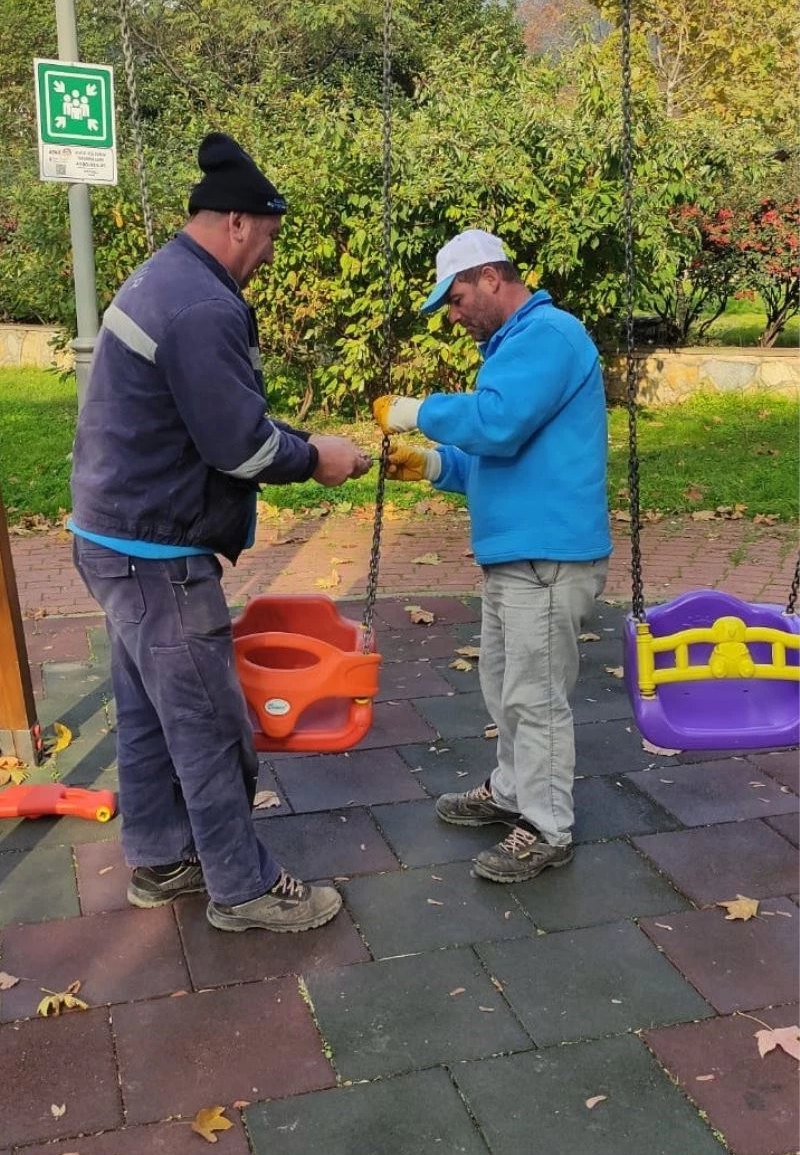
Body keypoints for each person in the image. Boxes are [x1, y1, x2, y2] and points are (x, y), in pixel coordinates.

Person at [70, 133, 371, 932]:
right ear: (237, 223)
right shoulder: (202, 304)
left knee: (146, 711)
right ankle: (242, 886)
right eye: (269, 238)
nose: (268, 255)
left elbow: (212, 416)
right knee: (208, 720)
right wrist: (320, 458)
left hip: (112, 533)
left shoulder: (164, 275)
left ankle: (163, 859)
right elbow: (239, 446)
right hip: (154, 552)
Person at [373, 227, 611, 883]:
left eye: (454, 300)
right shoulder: (513, 347)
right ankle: (512, 791)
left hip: (549, 554)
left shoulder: (550, 335)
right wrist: (432, 464)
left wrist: (417, 411)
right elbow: (494, 453)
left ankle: (547, 825)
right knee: (504, 687)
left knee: (534, 696)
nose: (452, 316)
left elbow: (497, 423)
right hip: (515, 554)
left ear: (489, 278)